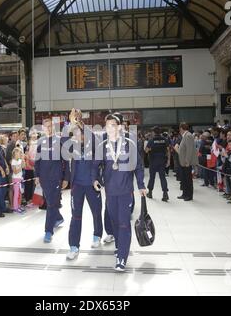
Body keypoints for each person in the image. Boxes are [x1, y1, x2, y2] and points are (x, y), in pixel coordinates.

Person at [92, 114, 147, 272]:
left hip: (125, 191)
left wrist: (141, 185)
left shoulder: (129, 144)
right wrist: (94, 179)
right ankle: (120, 246)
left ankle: (122, 257)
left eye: (113, 125)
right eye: (107, 125)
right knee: (115, 222)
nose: (110, 128)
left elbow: (138, 166)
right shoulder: (102, 146)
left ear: (119, 127)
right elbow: (95, 166)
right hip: (110, 192)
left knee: (124, 223)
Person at [66, 122, 103, 260]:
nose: (78, 136)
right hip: (77, 186)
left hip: (92, 185)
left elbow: (96, 140)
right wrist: (71, 125)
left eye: (80, 133)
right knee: (76, 216)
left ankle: (97, 235)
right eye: (75, 134)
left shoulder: (92, 145)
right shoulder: (72, 146)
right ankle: (74, 246)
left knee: (96, 212)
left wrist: (82, 125)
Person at [34, 118, 68, 243]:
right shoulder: (40, 142)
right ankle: (58, 218)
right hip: (44, 178)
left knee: (51, 204)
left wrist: (66, 178)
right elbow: (37, 161)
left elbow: (66, 161)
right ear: (43, 128)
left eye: (50, 126)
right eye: (46, 126)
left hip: (56, 178)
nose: (48, 129)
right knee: (50, 202)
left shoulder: (59, 141)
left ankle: (48, 231)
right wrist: (37, 175)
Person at [174, 123, 198, 201]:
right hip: (183, 162)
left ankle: (189, 195)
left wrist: (187, 161)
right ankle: (184, 194)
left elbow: (189, 150)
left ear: (181, 128)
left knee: (188, 179)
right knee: (184, 179)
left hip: (186, 162)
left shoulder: (188, 136)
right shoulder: (185, 136)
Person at [146, 126, 170, 202]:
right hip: (162, 161)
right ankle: (165, 194)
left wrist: (150, 149)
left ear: (153, 132)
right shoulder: (165, 140)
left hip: (153, 161)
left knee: (152, 177)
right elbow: (168, 150)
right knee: (162, 177)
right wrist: (168, 160)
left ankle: (150, 193)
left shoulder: (151, 140)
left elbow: (146, 150)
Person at [11, 147, 25, 214]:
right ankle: (15, 207)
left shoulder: (19, 160)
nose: (19, 155)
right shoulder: (13, 161)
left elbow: (24, 166)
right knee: (16, 194)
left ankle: (18, 206)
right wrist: (20, 167)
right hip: (16, 178)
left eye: (20, 153)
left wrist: (23, 160)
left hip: (20, 178)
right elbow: (15, 171)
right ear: (14, 154)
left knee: (19, 193)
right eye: (18, 153)